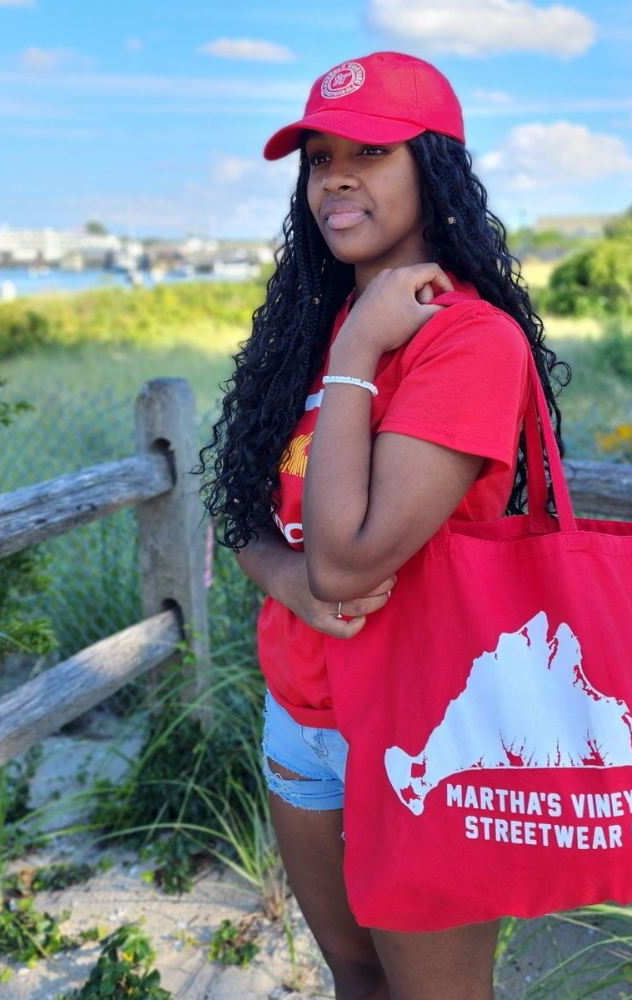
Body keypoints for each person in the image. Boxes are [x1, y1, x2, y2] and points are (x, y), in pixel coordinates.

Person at [200, 50, 569, 1000]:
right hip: (301, 716)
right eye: (320, 158)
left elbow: (347, 556)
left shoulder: (468, 340)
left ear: (434, 168)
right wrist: (284, 584)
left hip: (420, 733)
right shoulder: (306, 322)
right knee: (356, 977)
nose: (337, 178)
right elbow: (245, 511)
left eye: (370, 149)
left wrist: (365, 340)